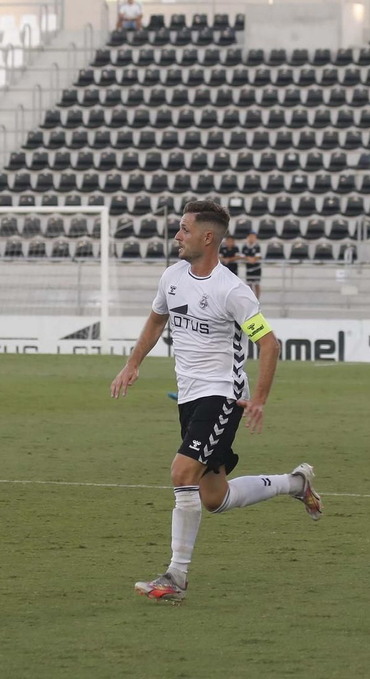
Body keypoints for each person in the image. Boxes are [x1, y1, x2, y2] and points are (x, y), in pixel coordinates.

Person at [109, 199, 322, 604]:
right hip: (190, 396)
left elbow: (269, 343)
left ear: (207, 238)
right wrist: (133, 363)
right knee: (213, 497)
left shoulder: (232, 290)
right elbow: (156, 319)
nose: (177, 235)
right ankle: (295, 483)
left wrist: (259, 399)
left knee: (181, 472)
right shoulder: (172, 277)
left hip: (223, 394)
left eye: (185, 229)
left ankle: (176, 576)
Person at [239, 230, 262, 298]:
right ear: (248, 237)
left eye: (253, 236)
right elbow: (242, 256)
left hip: (256, 268)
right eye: (251, 236)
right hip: (248, 268)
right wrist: (248, 258)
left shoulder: (257, 246)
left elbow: (258, 256)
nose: (252, 238)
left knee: (257, 284)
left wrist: (253, 259)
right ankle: (251, 298)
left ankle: (257, 299)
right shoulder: (245, 246)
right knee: (249, 284)